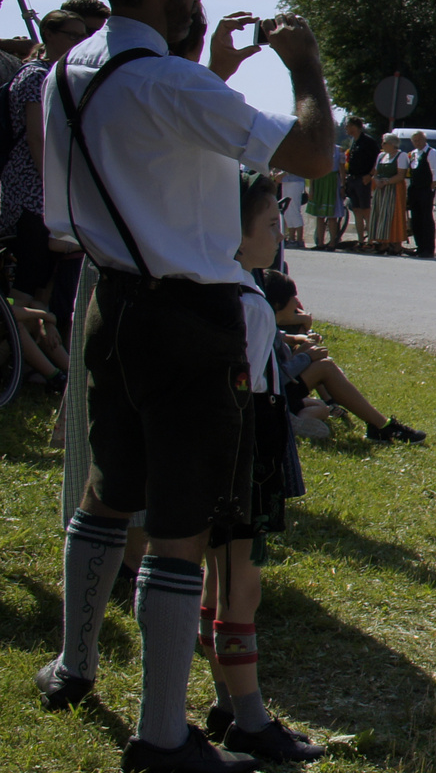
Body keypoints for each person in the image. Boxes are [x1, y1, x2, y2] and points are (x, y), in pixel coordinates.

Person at [34, 0, 333, 773]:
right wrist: (304, 61)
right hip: (186, 317)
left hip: (112, 303)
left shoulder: (69, 74)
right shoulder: (168, 83)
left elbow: (70, 210)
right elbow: (311, 151)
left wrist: (215, 73)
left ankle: (73, 664)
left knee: (105, 492)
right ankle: (163, 736)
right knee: (178, 529)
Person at [195, 173, 323, 762]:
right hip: (244, 450)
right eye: (270, 225)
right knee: (239, 586)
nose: (279, 235)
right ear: (235, 236)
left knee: (216, 582)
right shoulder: (245, 300)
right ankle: (249, 719)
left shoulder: (215, 286)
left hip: (222, 446)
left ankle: (227, 701)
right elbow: (245, 386)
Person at [259, 269, 427, 443]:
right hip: (271, 394)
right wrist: (306, 357)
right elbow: (273, 375)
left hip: (277, 391)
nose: (296, 303)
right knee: (325, 367)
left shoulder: (265, 321)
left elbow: (282, 342)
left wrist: (303, 346)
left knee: (320, 408)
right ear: (278, 304)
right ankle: (382, 426)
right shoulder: (261, 327)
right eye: (292, 297)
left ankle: (293, 422)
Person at [2, 11, 89, 306]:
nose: (80, 41)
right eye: (72, 35)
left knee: (46, 281)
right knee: (31, 273)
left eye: (84, 35)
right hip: (31, 188)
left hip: (46, 189)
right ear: (48, 34)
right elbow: (36, 136)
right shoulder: (36, 75)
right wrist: (53, 185)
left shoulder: (61, 74)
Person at [368, 133, 408, 254]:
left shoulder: (401, 156)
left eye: (384, 142)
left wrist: (387, 182)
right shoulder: (381, 156)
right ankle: (382, 242)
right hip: (381, 189)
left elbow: (401, 175)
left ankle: (396, 244)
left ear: (392, 144)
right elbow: (375, 171)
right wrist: (376, 180)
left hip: (393, 189)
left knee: (393, 215)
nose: (382, 145)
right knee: (380, 214)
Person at [342, 116, 378, 248]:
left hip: (363, 179)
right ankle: (361, 240)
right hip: (353, 179)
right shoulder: (354, 141)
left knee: (366, 211)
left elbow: (377, 159)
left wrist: (370, 175)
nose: (346, 128)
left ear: (354, 127)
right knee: (356, 210)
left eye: (348, 126)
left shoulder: (368, 142)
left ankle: (371, 241)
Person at [407, 130, 436, 259]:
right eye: (414, 141)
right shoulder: (413, 154)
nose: (417, 143)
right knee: (415, 218)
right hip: (414, 189)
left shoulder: (433, 153)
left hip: (426, 189)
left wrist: (430, 189)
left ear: (424, 140)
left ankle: (428, 248)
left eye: (419, 140)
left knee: (426, 218)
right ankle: (420, 246)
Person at [304, 142, 345, 249]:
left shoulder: (338, 150)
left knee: (332, 216)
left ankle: (332, 243)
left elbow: (342, 169)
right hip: (319, 181)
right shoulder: (318, 149)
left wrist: (342, 185)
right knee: (320, 215)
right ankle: (320, 243)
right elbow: (313, 170)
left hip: (332, 181)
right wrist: (312, 189)